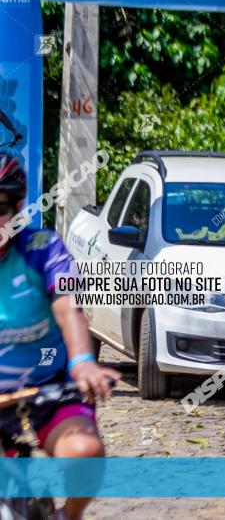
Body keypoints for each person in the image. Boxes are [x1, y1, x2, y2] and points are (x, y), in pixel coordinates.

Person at [0, 150, 121, 520]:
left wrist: (84, 362)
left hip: (51, 387)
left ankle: (67, 516)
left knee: (84, 456)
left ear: (19, 207)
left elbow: (68, 306)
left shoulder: (45, 248)